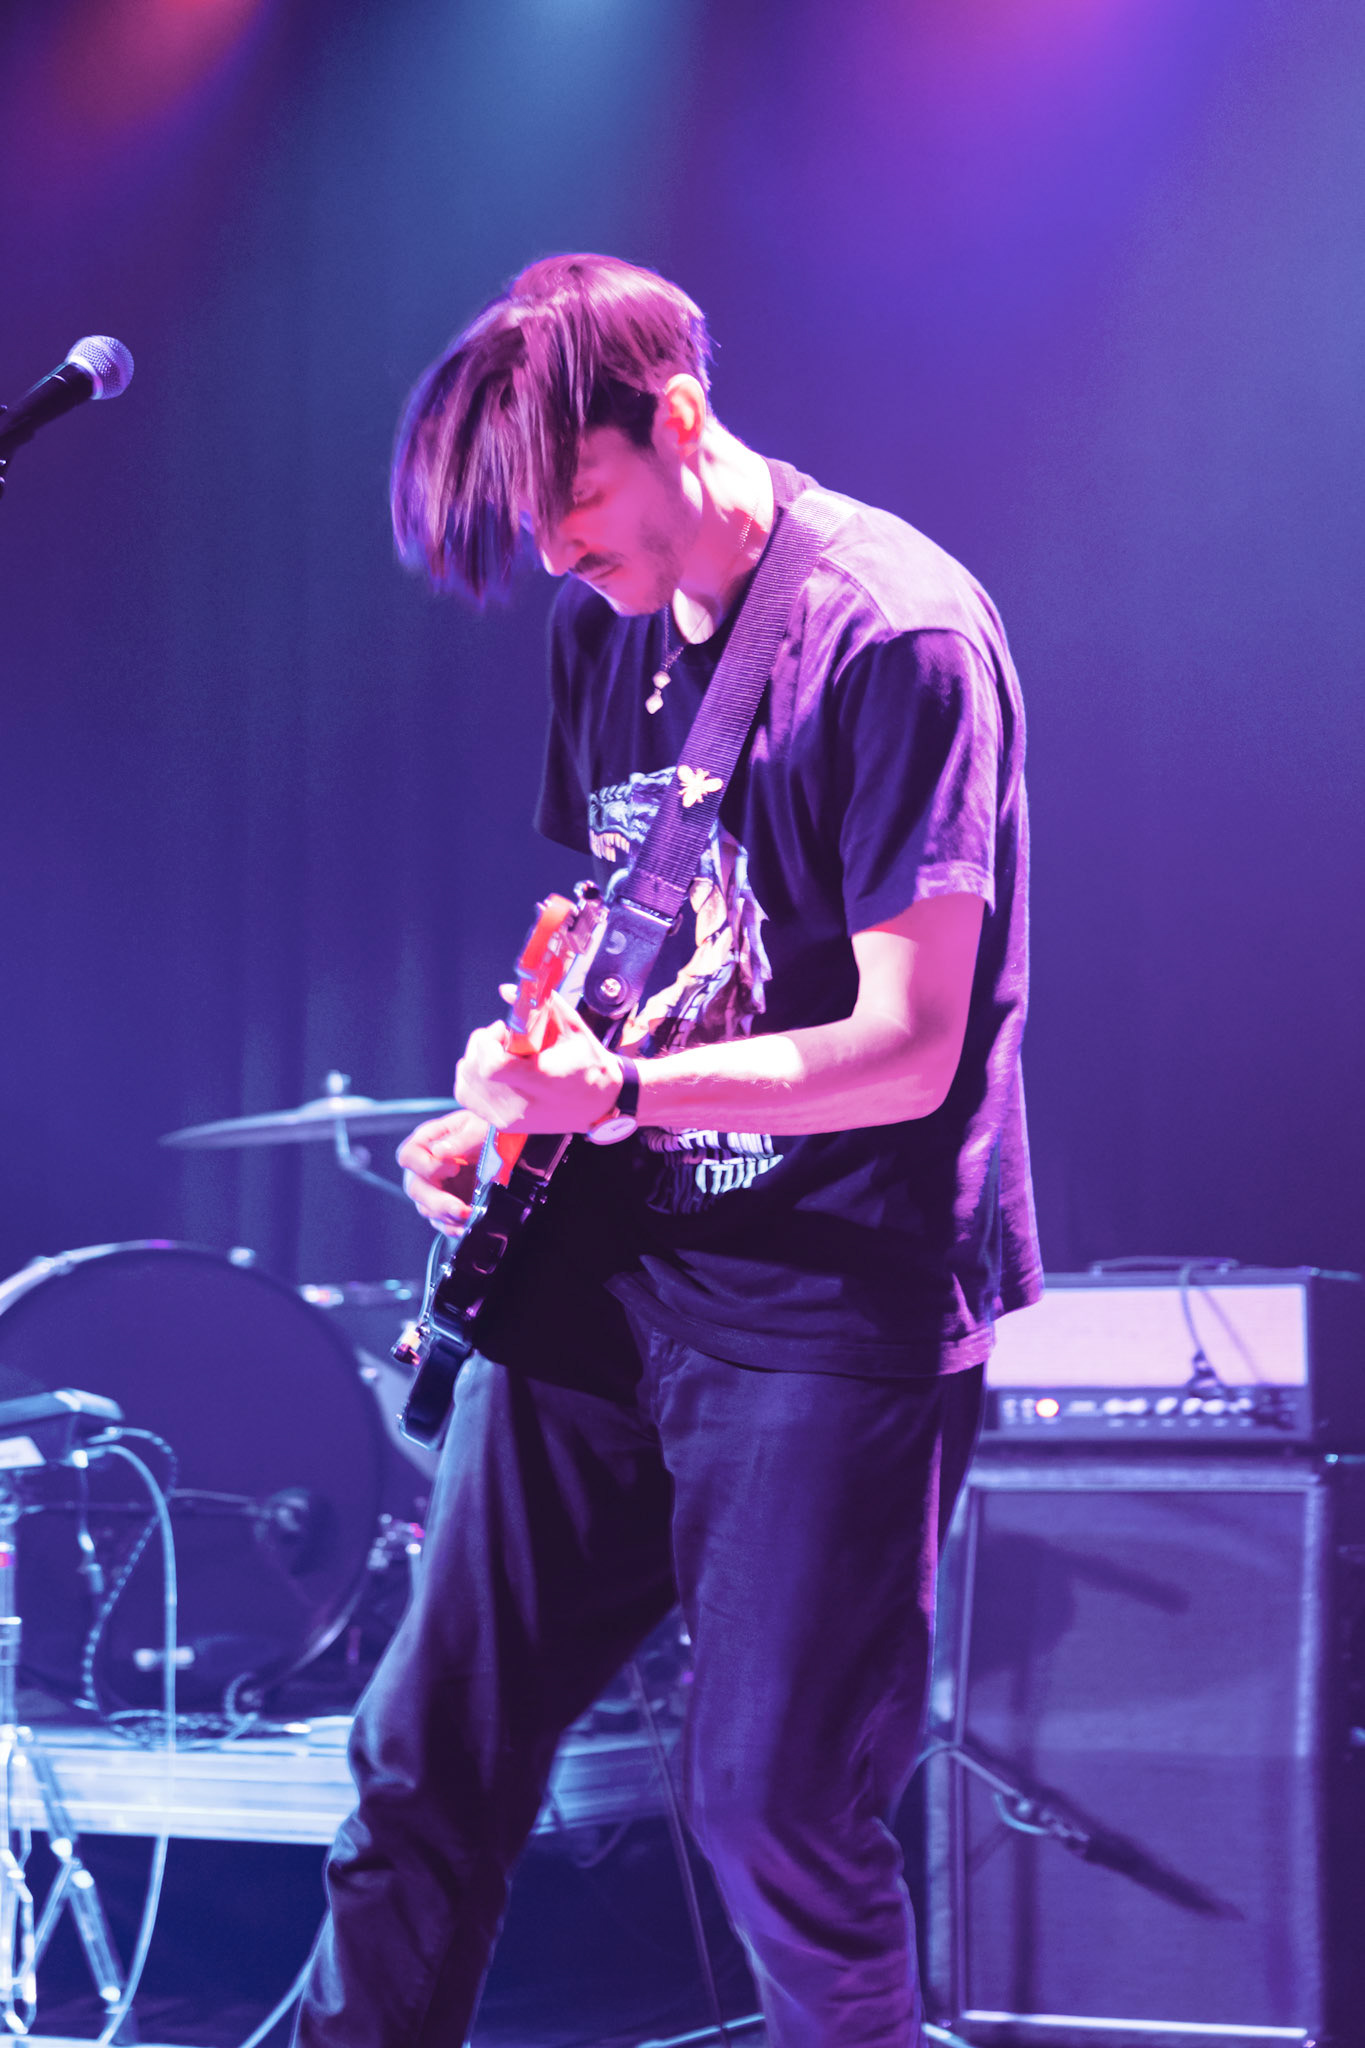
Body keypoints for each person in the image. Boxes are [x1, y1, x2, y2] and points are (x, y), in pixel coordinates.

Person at [296, 253, 1041, 2048]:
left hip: (828, 1303)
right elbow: (637, 941)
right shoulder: (604, 632)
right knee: (421, 1762)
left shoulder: (892, 637)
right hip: (611, 1269)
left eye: (569, 498)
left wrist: (620, 1098)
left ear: (676, 418)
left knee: (770, 1814)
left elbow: (907, 1048)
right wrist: (510, 1103)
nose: (553, 552)